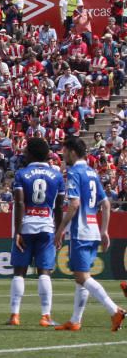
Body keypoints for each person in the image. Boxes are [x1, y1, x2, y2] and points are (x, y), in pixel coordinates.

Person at [53, 135, 125, 332]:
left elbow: (74, 204)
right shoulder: (92, 173)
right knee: (81, 278)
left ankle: (114, 310)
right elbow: (107, 204)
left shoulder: (74, 172)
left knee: (82, 276)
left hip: (81, 230)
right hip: (93, 230)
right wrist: (104, 231)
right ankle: (75, 320)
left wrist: (59, 230)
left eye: (65, 151)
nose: (63, 155)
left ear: (73, 152)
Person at [6, 137, 65, 327]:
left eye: (25, 151)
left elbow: (20, 202)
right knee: (44, 272)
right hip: (47, 227)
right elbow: (58, 206)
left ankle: (15, 315)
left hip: (26, 226)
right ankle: (45, 315)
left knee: (19, 272)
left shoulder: (22, 173)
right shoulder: (56, 176)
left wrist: (18, 231)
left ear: (31, 153)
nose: (23, 153)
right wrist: (58, 231)